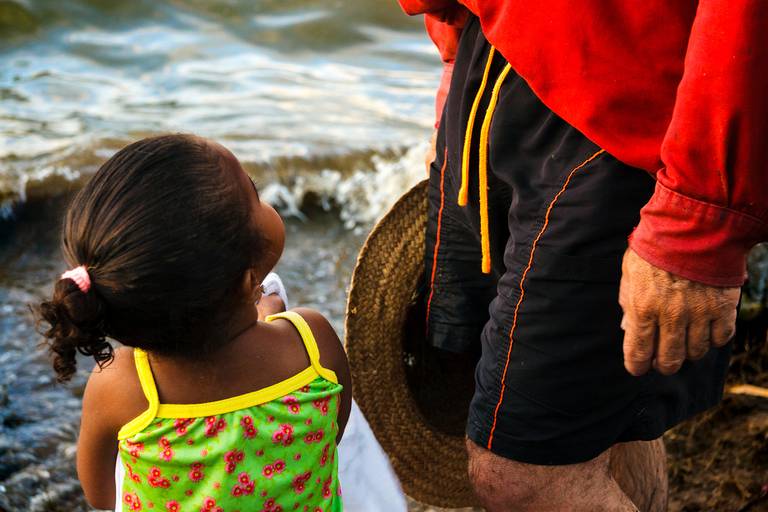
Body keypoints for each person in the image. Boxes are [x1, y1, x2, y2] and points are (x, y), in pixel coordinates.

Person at [399, 1, 767, 510]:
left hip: (622, 105)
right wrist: (455, 42)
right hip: (494, 55)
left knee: (520, 474)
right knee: (603, 427)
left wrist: (697, 218)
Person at [37, 134, 352, 511]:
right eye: (252, 192)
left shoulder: (120, 387)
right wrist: (273, 320)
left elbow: (103, 495)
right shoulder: (311, 345)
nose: (262, 199)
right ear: (248, 281)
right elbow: (333, 434)